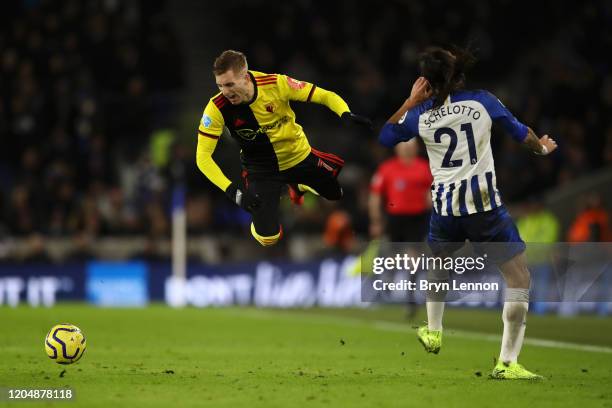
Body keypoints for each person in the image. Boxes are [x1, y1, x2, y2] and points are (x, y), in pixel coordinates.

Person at [379, 46, 557, 379]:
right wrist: (543, 148)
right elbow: (522, 133)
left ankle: (433, 330)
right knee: (518, 277)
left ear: (427, 84)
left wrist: (410, 101)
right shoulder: (483, 102)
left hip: (445, 208)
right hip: (484, 207)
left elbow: (386, 136)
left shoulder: (420, 116)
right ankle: (507, 364)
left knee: (439, 264)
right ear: (459, 76)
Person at [196, 50, 371, 246]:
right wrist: (233, 192)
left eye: (229, 84)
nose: (225, 92)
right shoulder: (216, 108)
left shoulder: (275, 84)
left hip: (298, 156)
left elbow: (324, 95)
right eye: (220, 85)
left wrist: (345, 113)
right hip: (261, 169)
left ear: (245, 77)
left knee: (335, 194)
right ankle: (274, 204)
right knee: (267, 239)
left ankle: (299, 185)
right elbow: (202, 157)